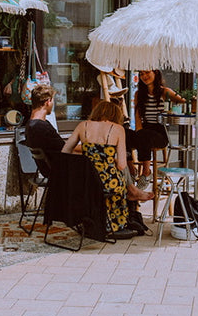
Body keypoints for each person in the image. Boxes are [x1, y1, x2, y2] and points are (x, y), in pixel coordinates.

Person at [61, 101, 144, 238]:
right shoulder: (118, 129)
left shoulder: (83, 125)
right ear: (115, 114)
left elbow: (65, 151)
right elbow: (122, 165)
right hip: (108, 181)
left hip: (86, 182)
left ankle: (95, 222)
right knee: (119, 184)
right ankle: (114, 225)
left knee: (102, 187)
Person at [131, 70, 183, 184]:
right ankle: (131, 171)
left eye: (147, 73)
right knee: (125, 134)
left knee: (143, 135)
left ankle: (146, 173)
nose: (144, 76)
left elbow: (184, 101)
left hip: (160, 132)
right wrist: (138, 132)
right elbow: (137, 116)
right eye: (141, 74)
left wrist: (173, 111)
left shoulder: (165, 92)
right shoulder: (138, 94)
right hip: (144, 130)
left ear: (155, 73)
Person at [25, 84, 62, 153]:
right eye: (53, 101)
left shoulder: (30, 124)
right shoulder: (42, 127)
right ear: (48, 102)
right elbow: (65, 149)